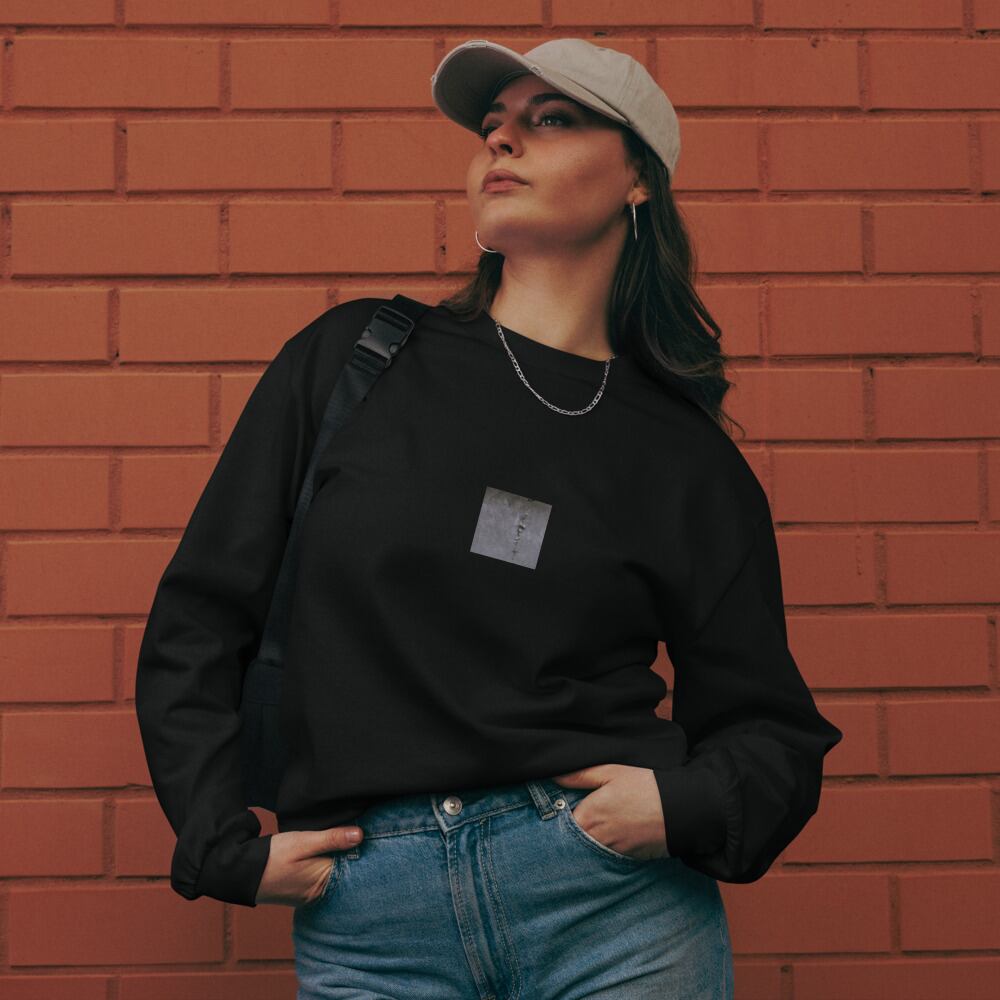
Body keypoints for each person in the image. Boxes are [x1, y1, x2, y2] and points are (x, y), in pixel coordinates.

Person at [134, 37, 843, 999]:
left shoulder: (683, 457)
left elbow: (769, 725)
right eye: (492, 126)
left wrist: (672, 807)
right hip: (371, 918)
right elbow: (200, 616)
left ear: (638, 177)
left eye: (551, 119)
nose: (503, 140)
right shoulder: (356, 361)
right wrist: (221, 844)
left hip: (610, 911)